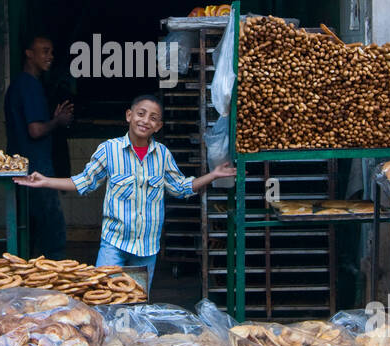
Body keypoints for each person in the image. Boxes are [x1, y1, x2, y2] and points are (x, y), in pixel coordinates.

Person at [16, 94, 234, 289]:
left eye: (153, 117)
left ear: (158, 126)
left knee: (136, 305)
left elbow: (180, 187)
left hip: (146, 248)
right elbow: (83, 182)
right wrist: (45, 181)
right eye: (141, 114)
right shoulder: (109, 150)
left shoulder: (163, 155)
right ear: (129, 115)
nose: (145, 120)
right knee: (105, 300)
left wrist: (213, 174)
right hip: (114, 245)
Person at [4, 35, 73, 258]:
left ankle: (29, 276)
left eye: (51, 51)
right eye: (44, 51)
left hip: (23, 165)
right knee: (52, 229)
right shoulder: (29, 86)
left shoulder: (21, 85)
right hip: (35, 168)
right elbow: (35, 130)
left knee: (29, 227)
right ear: (29, 54)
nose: (50, 56)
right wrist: (58, 121)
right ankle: (57, 277)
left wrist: (51, 120)